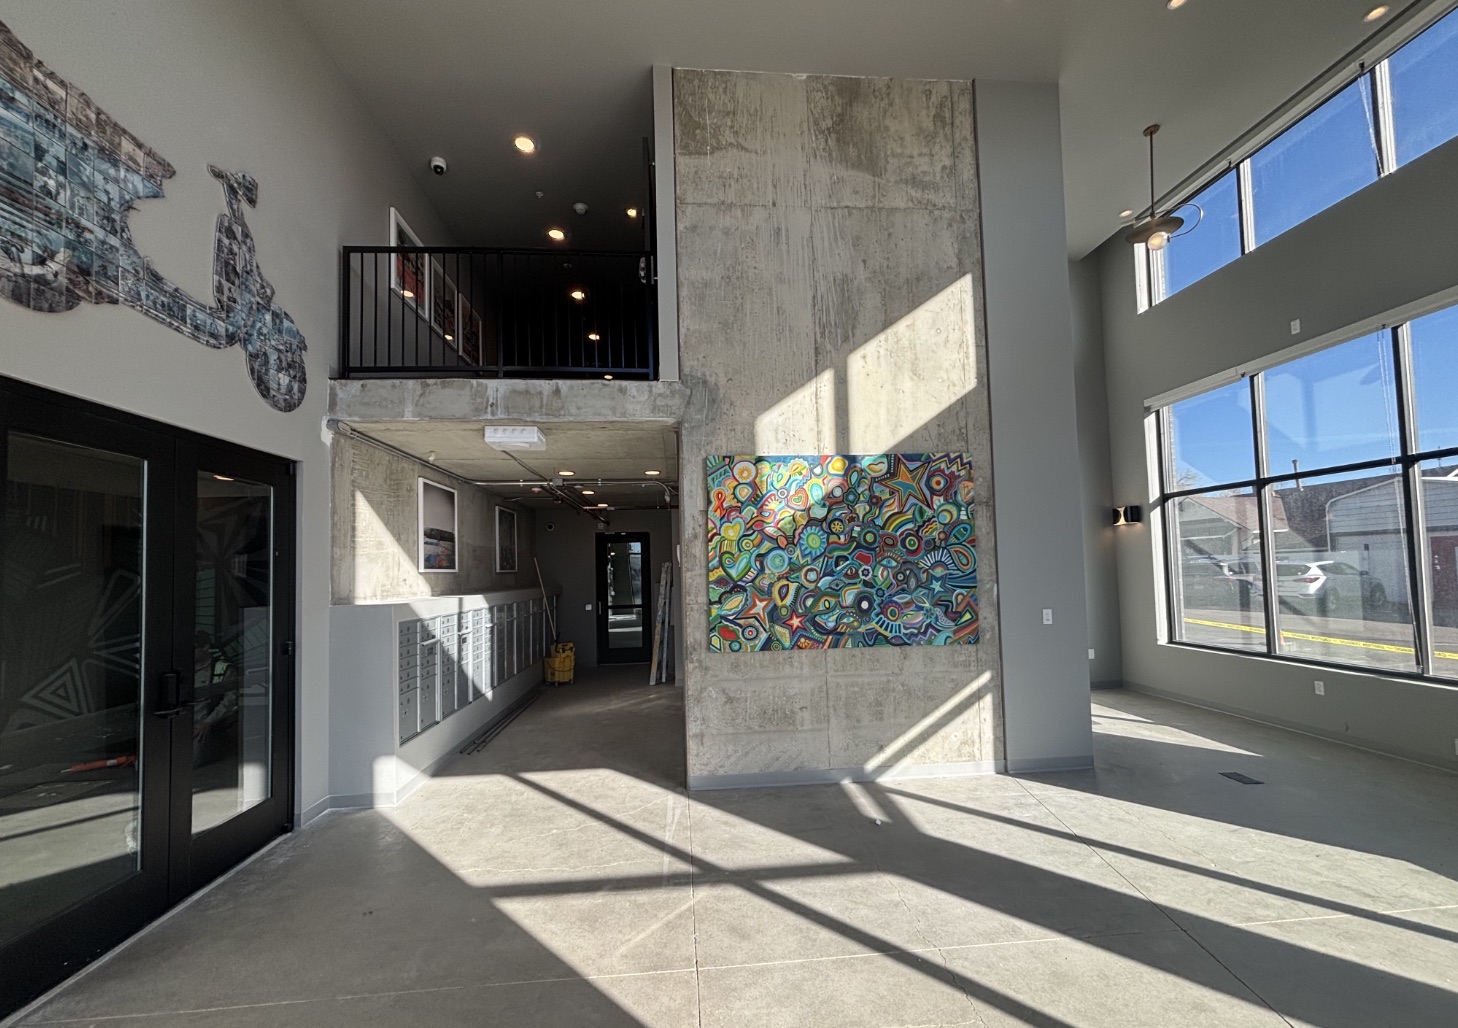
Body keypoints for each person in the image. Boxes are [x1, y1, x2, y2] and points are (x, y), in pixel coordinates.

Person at [192, 631, 238, 768]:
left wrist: (208, 722)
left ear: (205, 647)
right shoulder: (180, 666)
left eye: (193, 648)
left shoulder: (223, 669)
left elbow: (230, 701)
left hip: (204, 725)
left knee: (192, 762)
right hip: (180, 723)